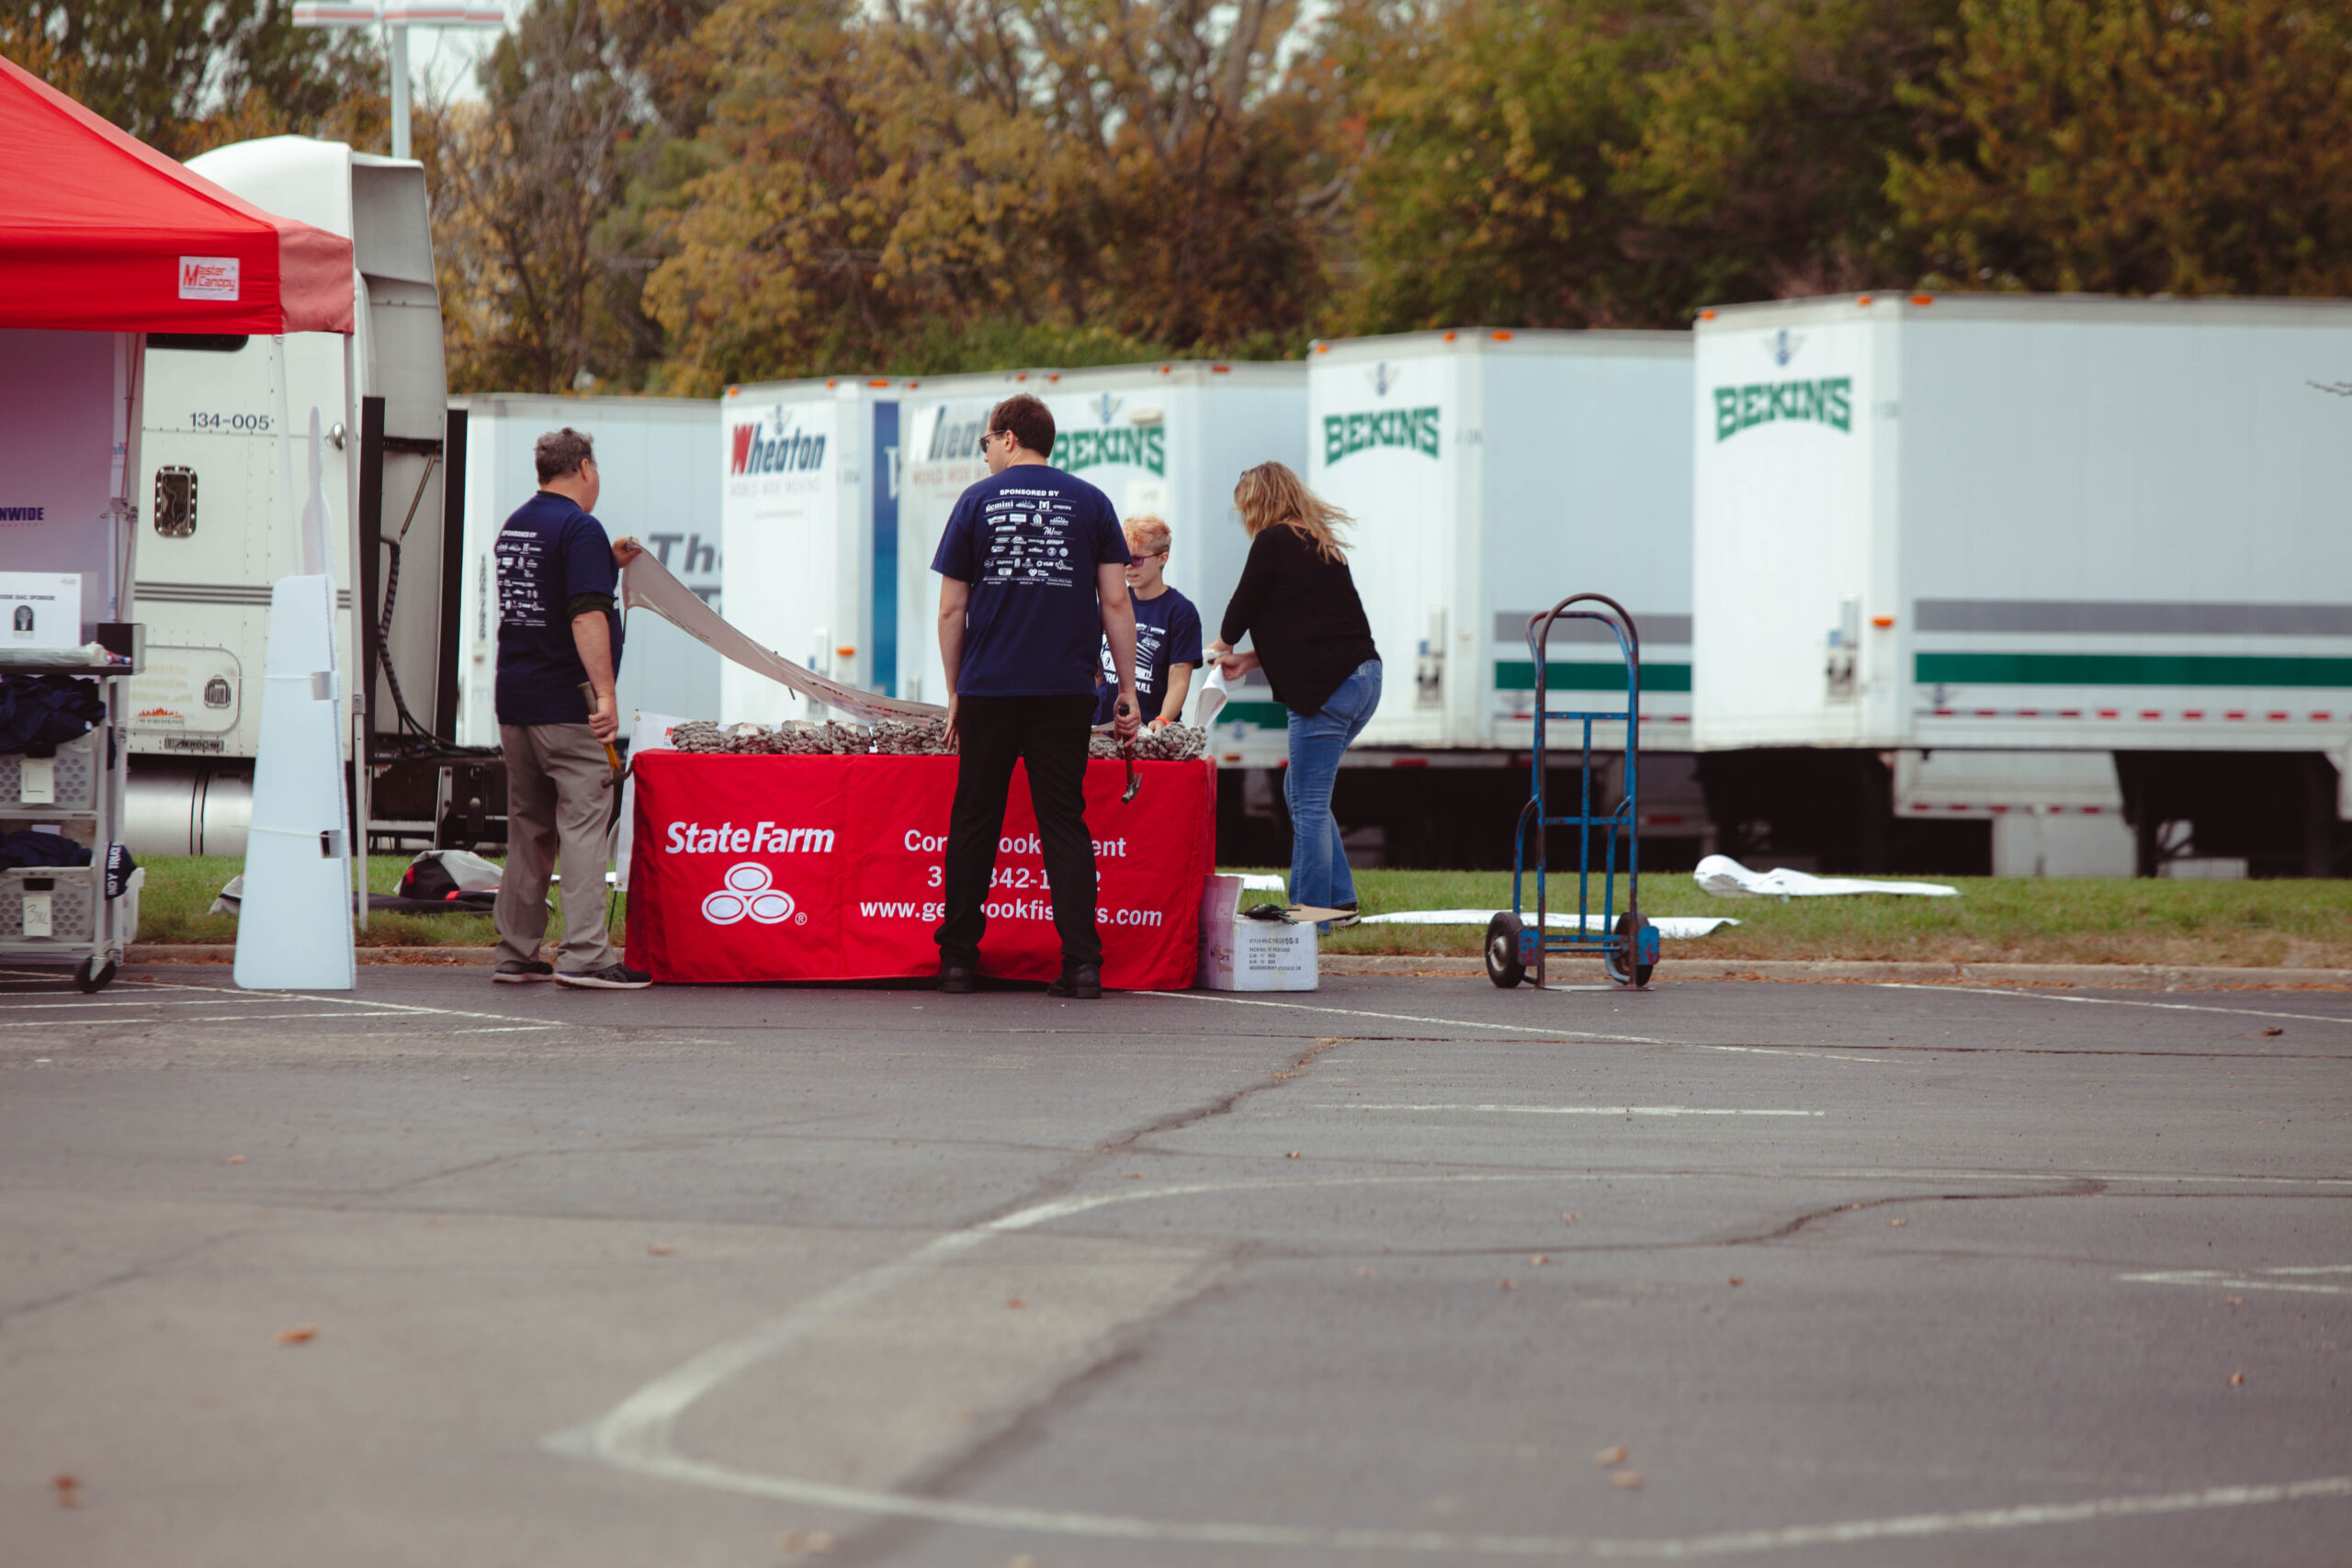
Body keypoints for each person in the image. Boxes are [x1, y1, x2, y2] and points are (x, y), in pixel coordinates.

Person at [932, 393, 1141, 998]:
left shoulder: (975, 502)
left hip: (990, 688)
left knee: (975, 820)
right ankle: (1082, 963)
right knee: (1063, 823)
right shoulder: (1092, 502)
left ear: (1009, 438)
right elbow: (1116, 601)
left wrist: (954, 690)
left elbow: (952, 608)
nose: (986, 454)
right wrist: (1126, 689)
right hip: (1065, 690)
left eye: (986, 443)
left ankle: (957, 962)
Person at [490, 427, 648, 988]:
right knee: (583, 822)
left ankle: (516, 949)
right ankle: (586, 954)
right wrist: (605, 695)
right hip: (567, 706)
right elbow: (584, 615)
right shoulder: (580, 527)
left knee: (529, 826)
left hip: (516, 703)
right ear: (584, 469)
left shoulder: (517, 525)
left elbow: (544, 595)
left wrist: (605, 562)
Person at [1208, 461, 1381, 930]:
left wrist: (1217, 650)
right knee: (1304, 792)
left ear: (1259, 502)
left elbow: (1240, 606)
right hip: (1363, 680)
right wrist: (1246, 660)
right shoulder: (1319, 542)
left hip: (1327, 689)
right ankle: (1341, 904)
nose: (1245, 517)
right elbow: (1309, 629)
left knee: (1306, 800)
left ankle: (1307, 919)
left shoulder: (1274, 540)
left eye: (1245, 507)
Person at [1091, 514, 1202, 729]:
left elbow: (1179, 680)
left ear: (1163, 558)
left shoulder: (1181, 612)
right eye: (1124, 559)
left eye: (1137, 559)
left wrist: (1162, 720)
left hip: (1150, 729)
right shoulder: (1110, 603)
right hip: (1102, 727)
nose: (1129, 567)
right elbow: (1095, 665)